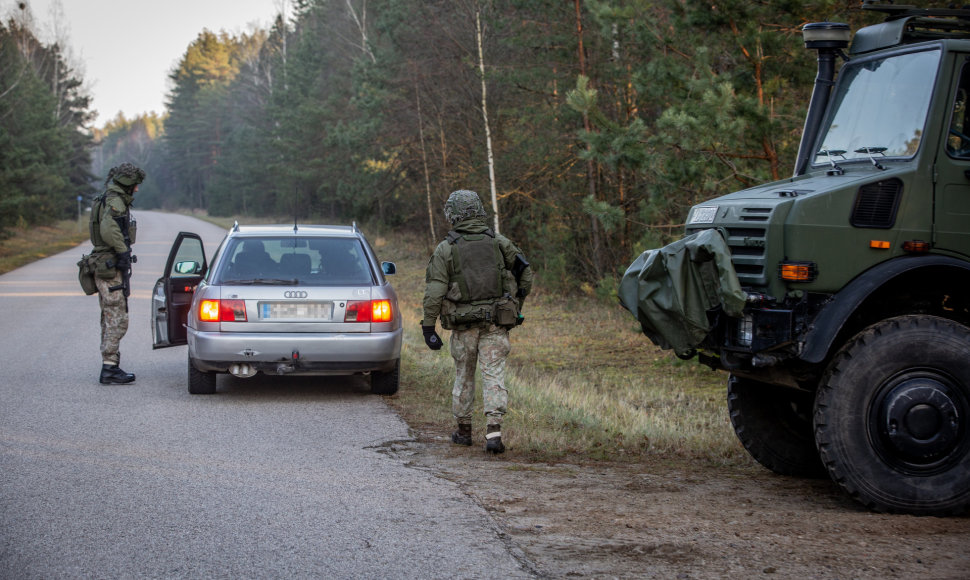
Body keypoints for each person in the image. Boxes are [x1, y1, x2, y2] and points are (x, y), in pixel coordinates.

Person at [421, 190, 534, 453]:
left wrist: (429, 327)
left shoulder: (446, 249)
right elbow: (524, 274)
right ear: (479, 210)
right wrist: (516, 308)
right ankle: (494, 434)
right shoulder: (499, 243)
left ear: (453, 214)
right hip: (495, 324)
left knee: (464, 376)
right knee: (494, 375)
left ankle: (463, 431)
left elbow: (435, 291)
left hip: (463, 327)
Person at [89, 162, 144, 384]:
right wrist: (122, 252)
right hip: (109, 266)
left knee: (110, 315)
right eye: (136, 185)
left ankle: (111, 364)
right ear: (128, 183)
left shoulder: (110, 197)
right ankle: (110, 368)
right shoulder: (115, 201)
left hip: (106, 263)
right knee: (117, 317)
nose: (138, 189)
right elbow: (109, 229)